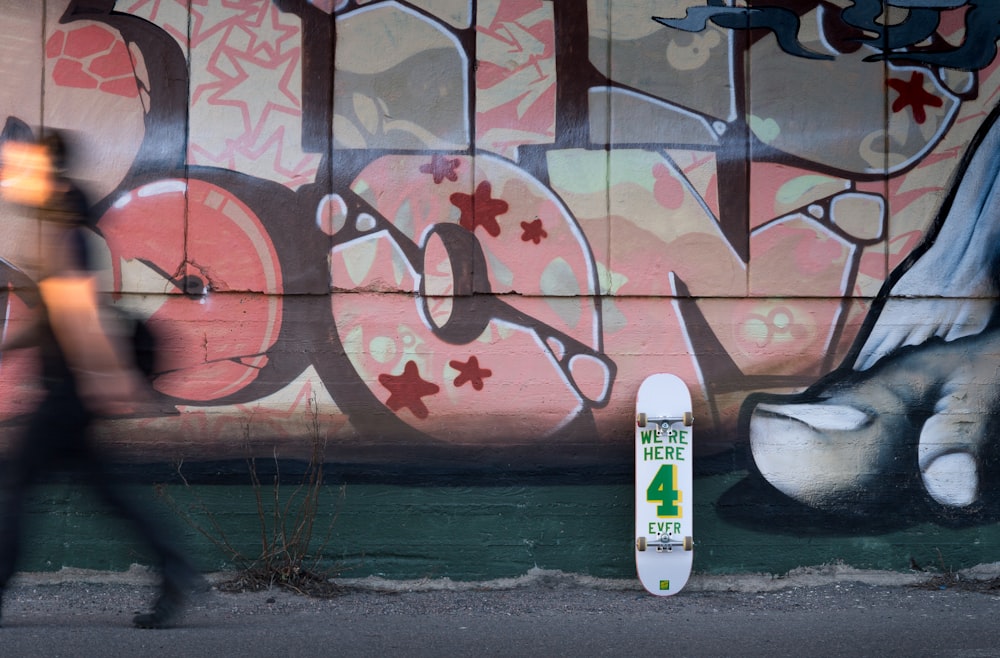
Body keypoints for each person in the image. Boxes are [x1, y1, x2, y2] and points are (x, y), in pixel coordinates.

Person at [0, 127, 205, 628]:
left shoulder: (65, 231)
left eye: (13, 164)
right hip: (72, 387)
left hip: (70, 390)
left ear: (42, 171)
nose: (5, 174)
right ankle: (173, 565)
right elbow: (56, 316)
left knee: (15, 486)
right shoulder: (58, 224)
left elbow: (79, 316)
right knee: (106, 490)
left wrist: (106, 377)